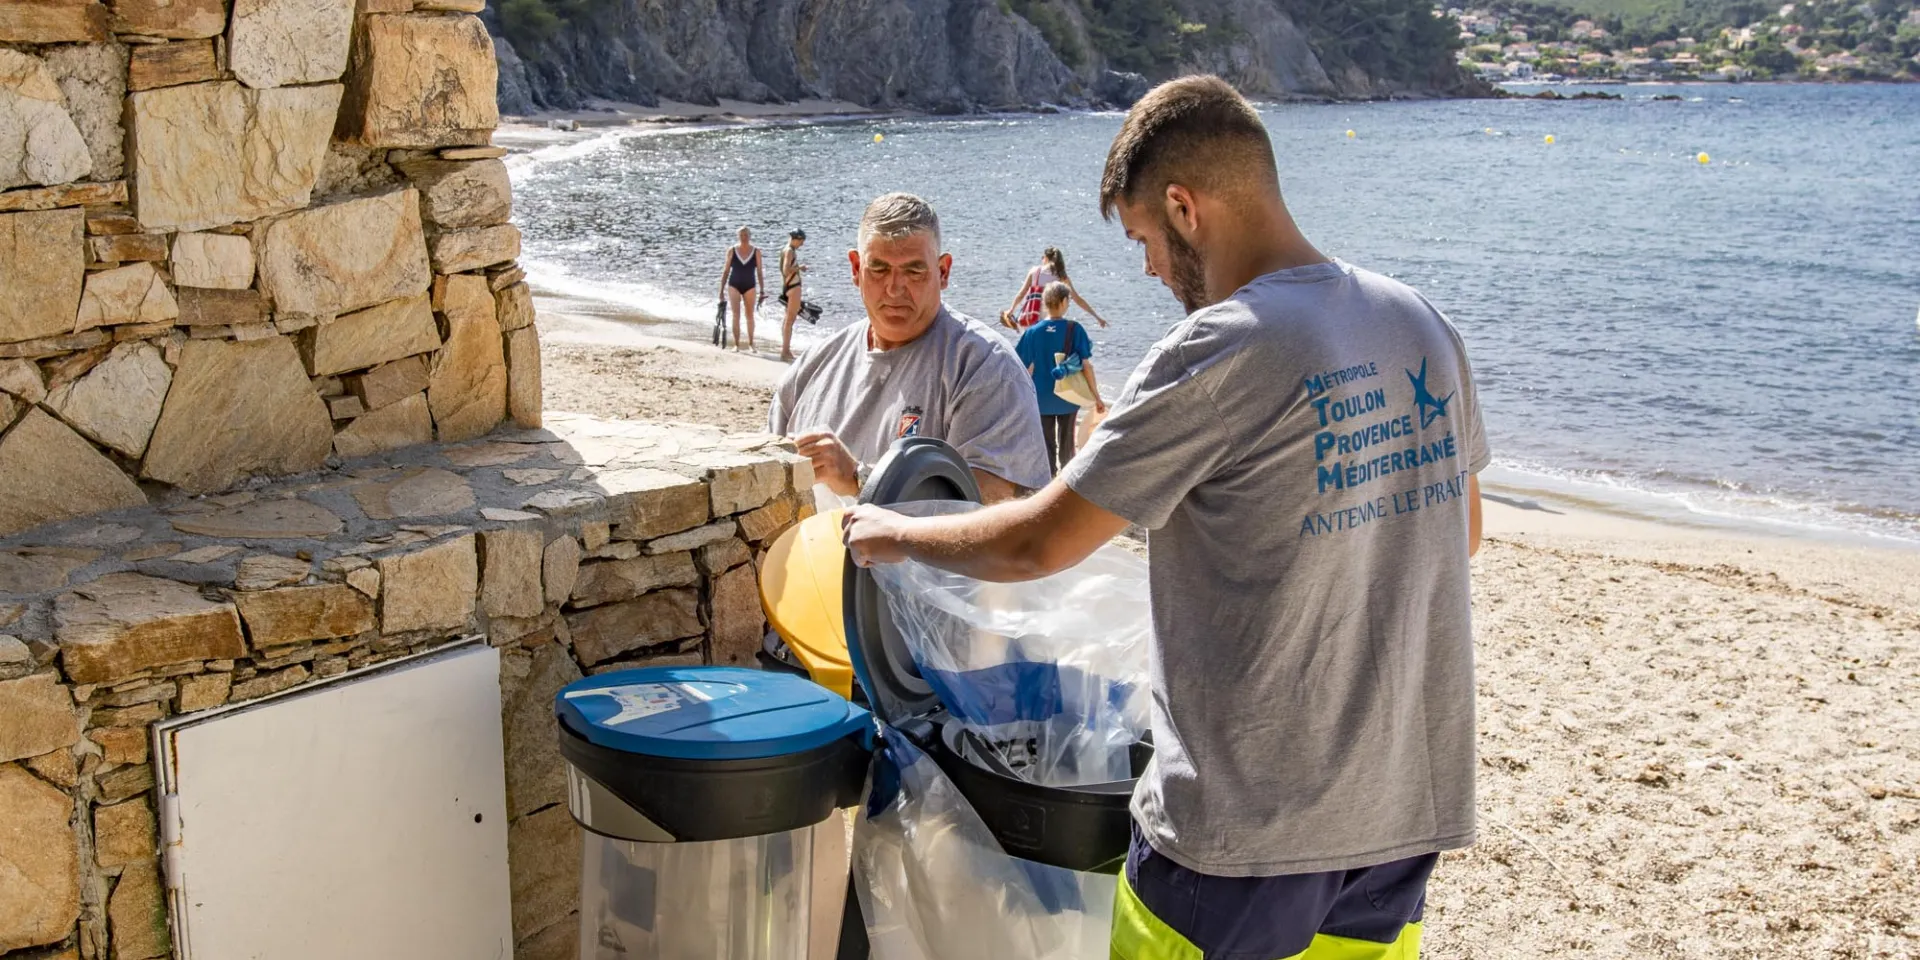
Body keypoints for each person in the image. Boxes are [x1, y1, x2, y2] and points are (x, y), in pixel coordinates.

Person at [842, 75, 1488, 960]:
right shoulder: (1418, 321)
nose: (1148, 268)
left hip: (1242, 834)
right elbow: (1462, 532)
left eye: (1143, 238)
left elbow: (1039, 542)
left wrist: (895, 532)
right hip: (1401, 814)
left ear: (1184, 207)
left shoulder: (1222, 345)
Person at [769, 192, 1050, 504]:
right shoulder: (809, 371)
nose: (894, 288)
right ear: (856, 268)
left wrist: (858, 479)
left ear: (943, 272)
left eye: (914, 271)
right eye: (879, 268)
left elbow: (991, 506)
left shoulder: (986, 368)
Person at [1015, 281, 1106, 475]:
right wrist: (1096, 397)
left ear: (1045, 302)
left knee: (1046, 443)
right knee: (1067, 444)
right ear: (1064, 301)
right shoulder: (1075, 329)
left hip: (1041, 397)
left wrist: (1022, 396)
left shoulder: (1032, 332)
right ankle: (1066, 479)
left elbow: (1020, 367)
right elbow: (1086, 366)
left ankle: (1048, 478)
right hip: (1068, 396)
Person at [1002, 246, 1110, 330]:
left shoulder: (1034, 271)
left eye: (1042, 258)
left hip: (1032, 320)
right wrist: (1097, 317)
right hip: (1051, 323)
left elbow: (1021, 294)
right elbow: (1077, 299)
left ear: (1046, 258)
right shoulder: (1061, 277)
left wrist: (1011, 310)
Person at [717, 226, 764, 352]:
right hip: (734, 285)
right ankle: (736, 344)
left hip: (750, 286)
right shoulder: (732, 250)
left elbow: (759, 272)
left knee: (749, 315)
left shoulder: (756, 251)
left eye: (746, 235)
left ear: (750, 236)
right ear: (738, 236)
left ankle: (751, 343)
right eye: (741, 235)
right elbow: (726, 271)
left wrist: (762, 290)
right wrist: (721, 290)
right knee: (736, 315)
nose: (744, 238)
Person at [777, 228, 809, 362]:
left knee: (787, 319)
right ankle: (785, 351)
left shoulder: (786, 250)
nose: (802, 244)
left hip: (787, 286)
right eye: (801, 241)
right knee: (790, 320)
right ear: (796, 239)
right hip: (793, 287)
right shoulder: (790, 251)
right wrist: (800, 268)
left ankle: (785, 349)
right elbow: (786, 270)